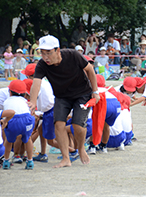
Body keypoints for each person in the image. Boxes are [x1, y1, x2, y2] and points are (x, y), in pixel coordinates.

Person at [28, 35, 100, 168]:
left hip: (82, 94)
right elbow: (36, 83)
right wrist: (32, 102)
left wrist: (95, 92)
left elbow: (89, 69)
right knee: (59, 125)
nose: (45, 57)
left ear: (58, 50)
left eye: (49, 53)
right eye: (42, 53)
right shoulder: (42, 65)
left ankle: (81, 148)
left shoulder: (72, 55)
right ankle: (66, 158)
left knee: (78, 125)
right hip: (62, 97)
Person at [2, 80, 35, 170]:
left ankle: (6, 160)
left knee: (8, 141)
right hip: (27, 120)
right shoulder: (26, 101)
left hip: (13, 120)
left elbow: (7, 113)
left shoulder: (7, 101)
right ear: (24, 93)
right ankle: (30, 160)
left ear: (10, 92)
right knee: (28, 139)